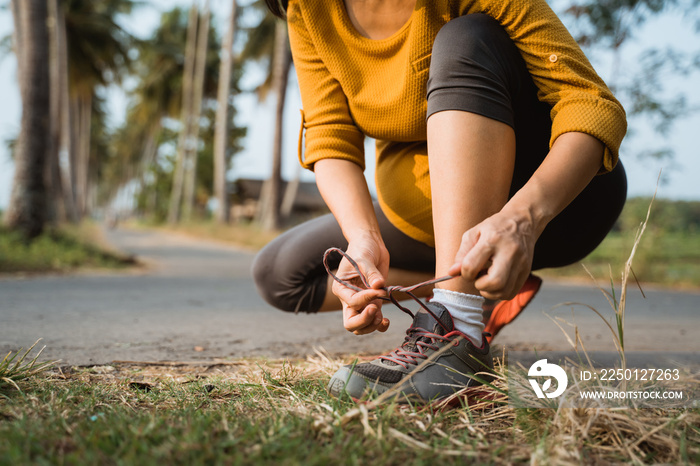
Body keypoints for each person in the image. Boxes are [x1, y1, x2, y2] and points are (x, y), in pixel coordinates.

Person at [253, 0, 627, 403]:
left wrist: (523, 218)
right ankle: (472, 287)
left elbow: (591, 103)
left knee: (466, 38)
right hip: (423, 222)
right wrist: (362, 239)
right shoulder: (308, 9)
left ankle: (458, 332)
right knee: (282, 274)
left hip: (550, 207)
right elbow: (331, 136)